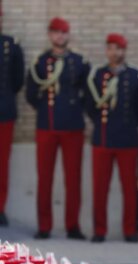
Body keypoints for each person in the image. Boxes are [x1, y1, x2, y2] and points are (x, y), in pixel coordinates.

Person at [26, 17, 90, 239]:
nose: (59, 36)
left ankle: (72, 226)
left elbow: (86, 94)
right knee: (45, 178)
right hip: (47, 125)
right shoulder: (40, 62)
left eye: (63, 32)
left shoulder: (79, 62)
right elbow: (31, 94)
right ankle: (44, 226)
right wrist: (44, 109)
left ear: (67, 35)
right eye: (55, 32)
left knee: (73, 179)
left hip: (73, 127)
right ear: (50, 35)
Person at [86, 33, 138, 243]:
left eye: (119, 48)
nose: (115, 52)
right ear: (107, 50)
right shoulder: (96, 74)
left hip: (128, 140)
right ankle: (99, 230)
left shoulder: (136, 76)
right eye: (111, 48)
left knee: (130, 189)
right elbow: (90, 106)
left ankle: (130, 230)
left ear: (124, 51)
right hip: (102, 139)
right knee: (100, 188)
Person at [0, 28, 25, 226]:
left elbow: (17, 80)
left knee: (2, 163)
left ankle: (0, 208)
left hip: (4, 113)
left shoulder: (11, 45)